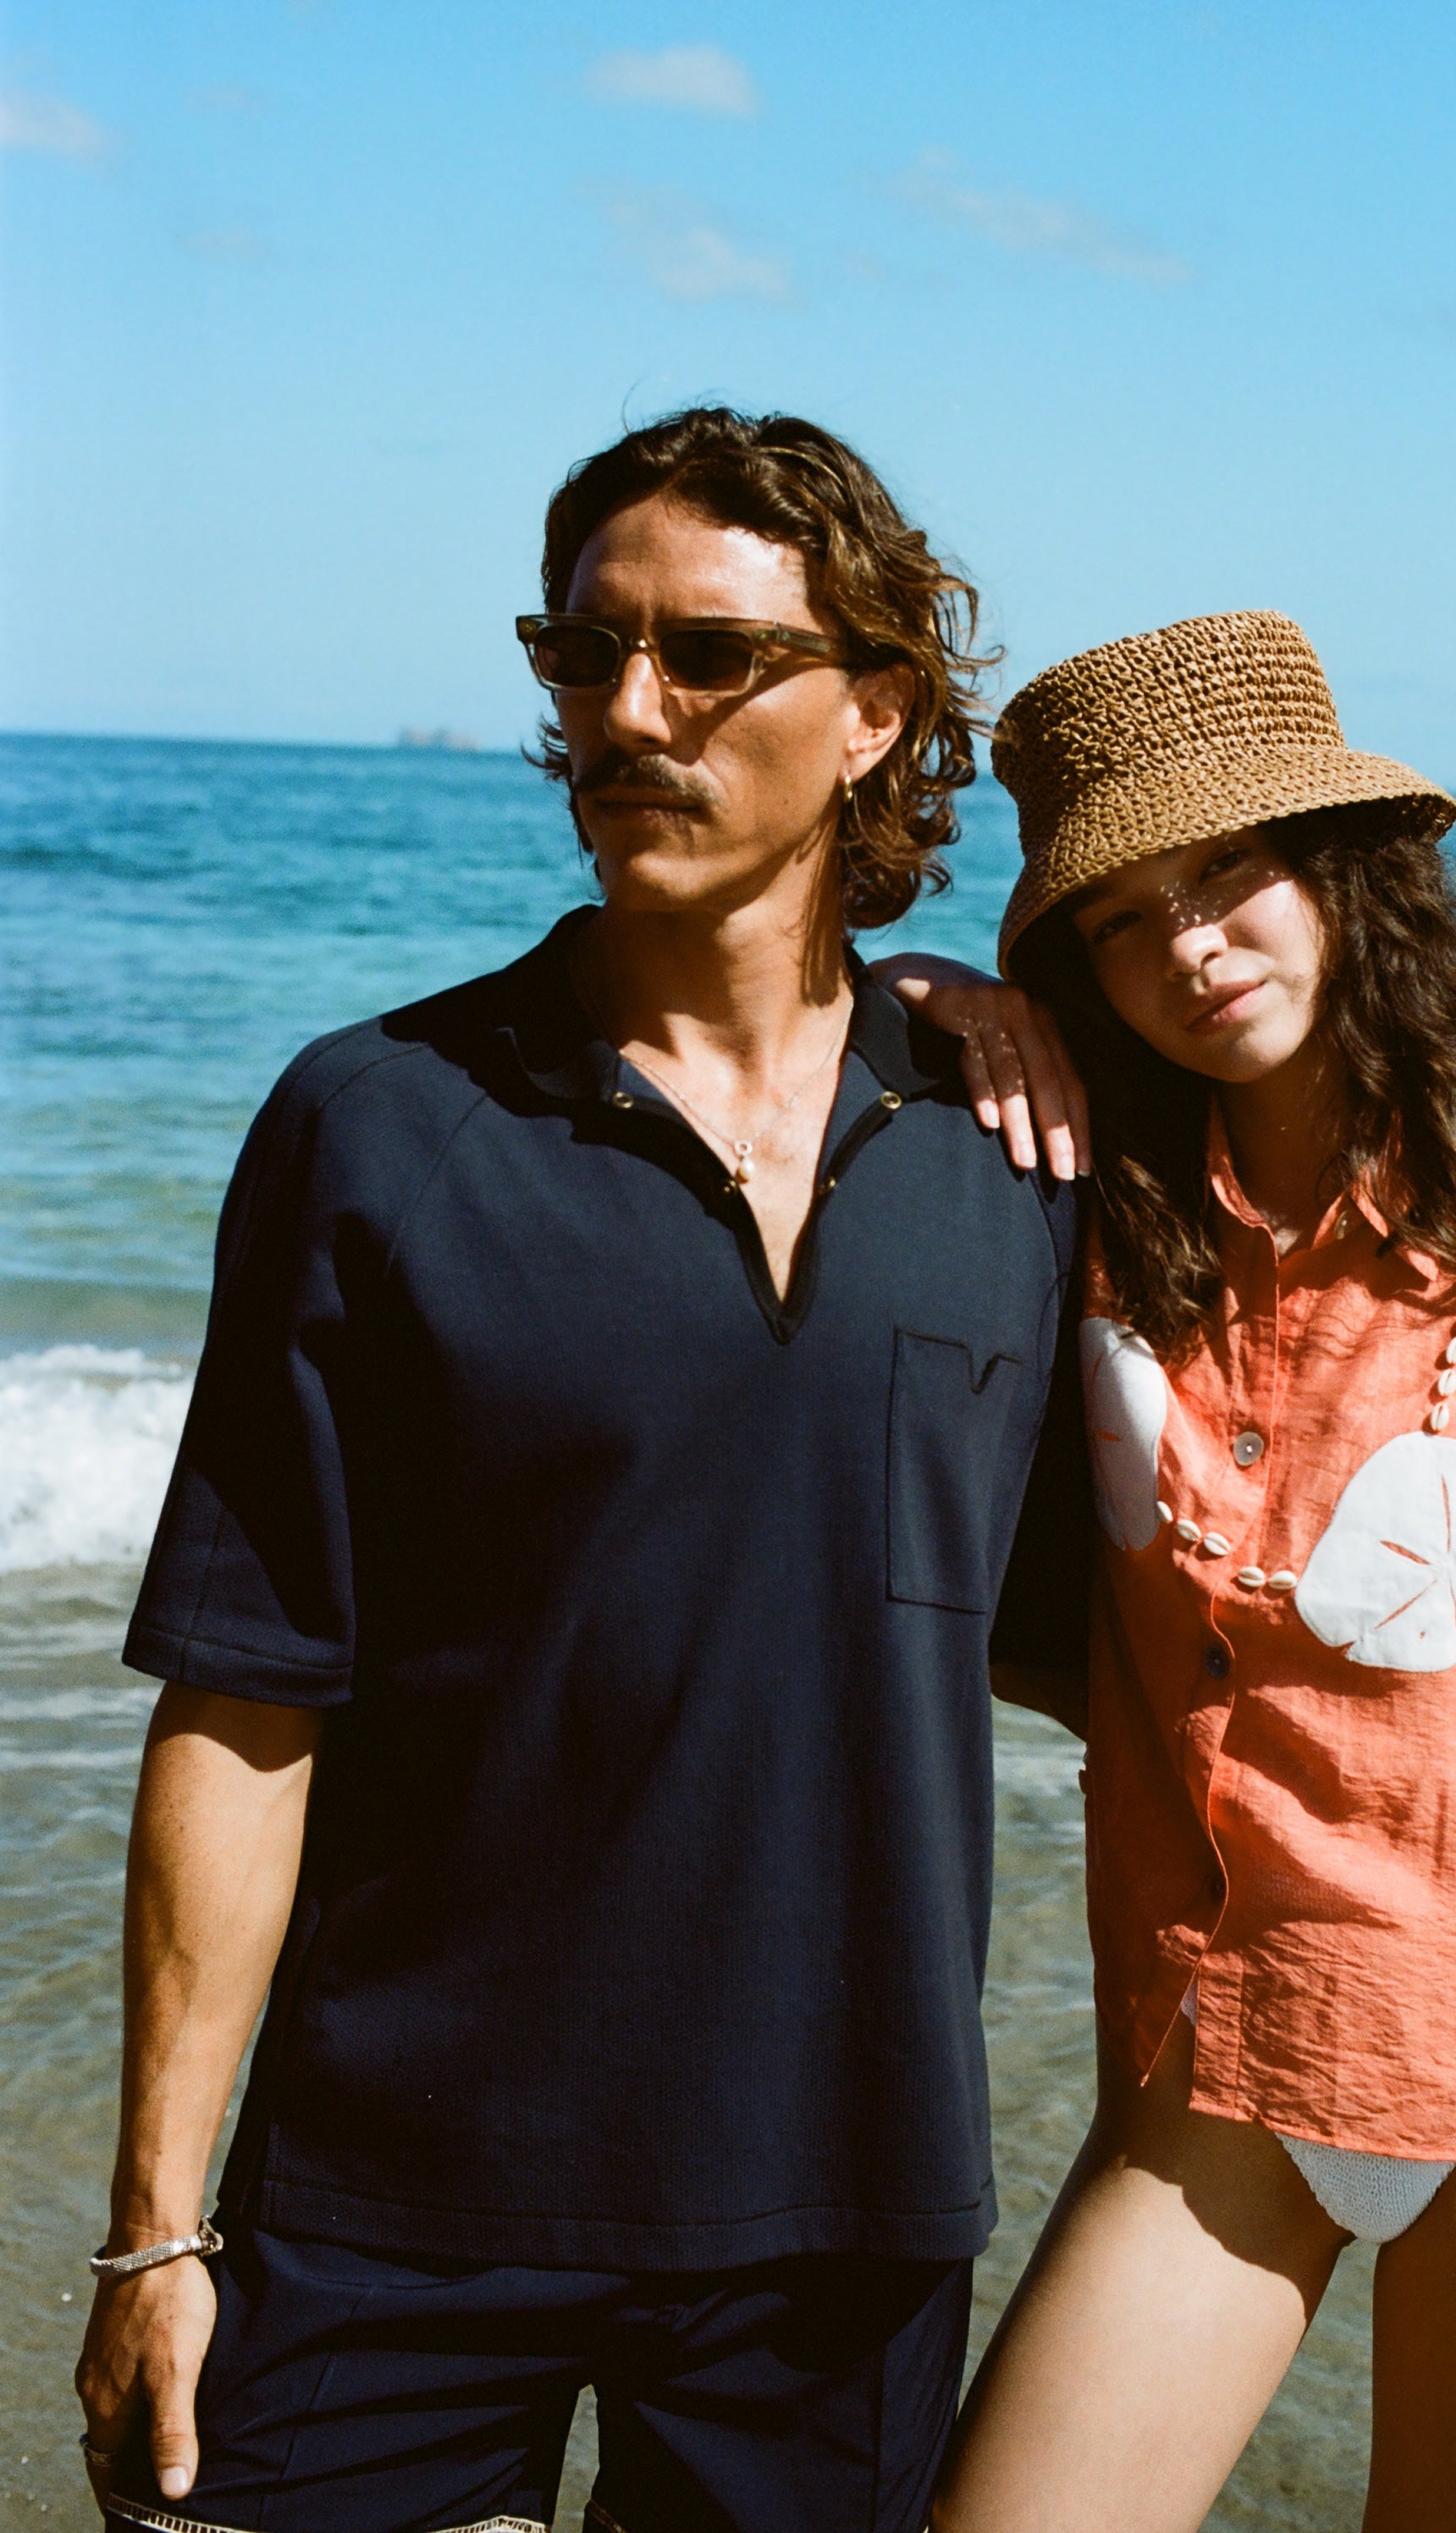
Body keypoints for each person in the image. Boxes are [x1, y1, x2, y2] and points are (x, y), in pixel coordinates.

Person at [74, 406, 1085, 2533]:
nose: (630, 713)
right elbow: (249, 1695)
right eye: (583, 651)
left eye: (711, 656)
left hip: (841, 2217)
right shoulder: (377, 1122)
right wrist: (158, 2228)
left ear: (874, 709)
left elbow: (1163, 1644)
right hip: (390, 2201)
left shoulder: (1021, 1152)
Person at [893, 611, 1456, 2533]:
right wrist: (908, 994)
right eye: (1119, 917)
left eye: (1228, 877)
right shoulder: (1078, 1226)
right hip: (1216, 2056)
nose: (1186, 945)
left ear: (1342, 876)